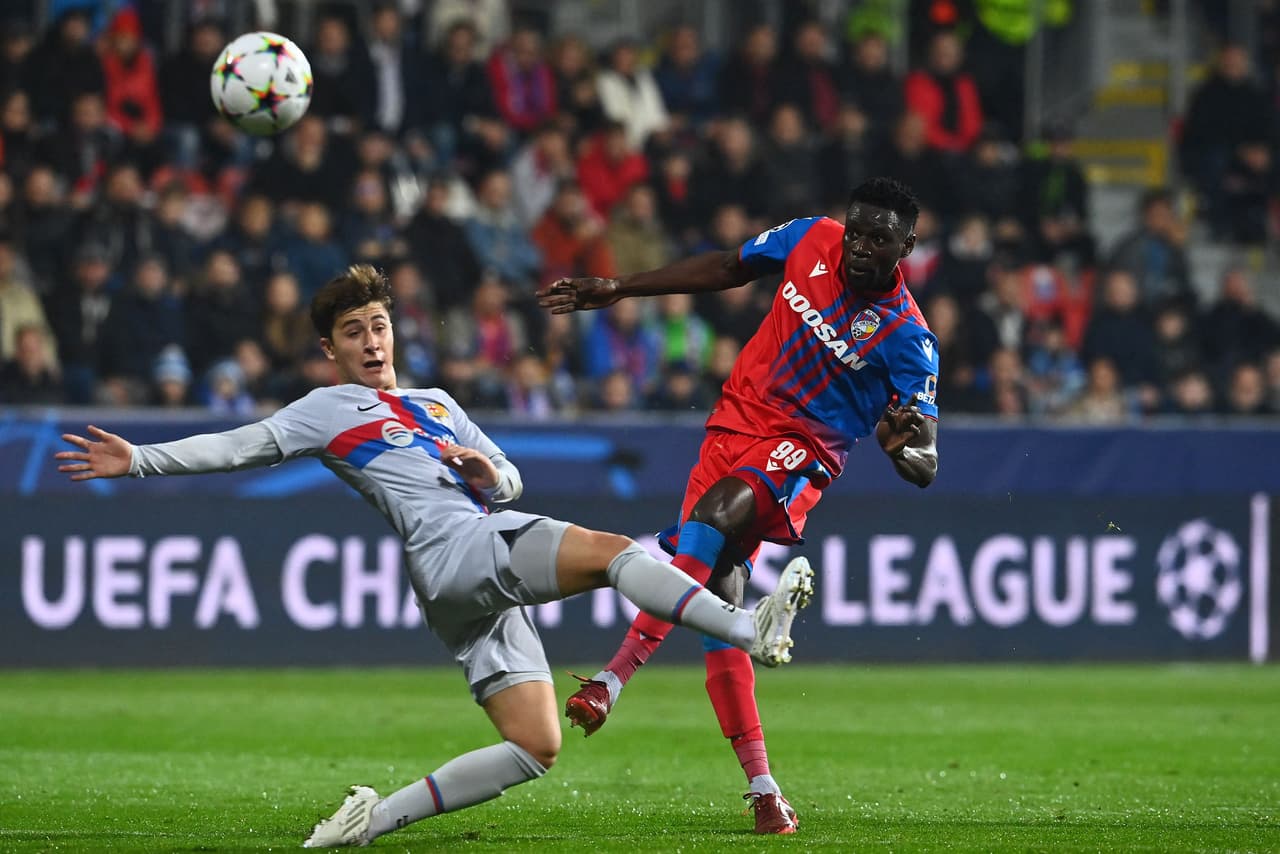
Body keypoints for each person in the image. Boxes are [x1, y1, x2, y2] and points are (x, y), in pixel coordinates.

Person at [54, 263, 813, 849]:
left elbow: (508, 476)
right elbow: (238, 446)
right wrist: (141, 458)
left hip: (464, 578)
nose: (371, 341)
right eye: (353, 332)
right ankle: (747, 629)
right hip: (458, 549)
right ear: (330, 349)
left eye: (378, 325)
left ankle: (369, 821)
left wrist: (493, 474)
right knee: (613, 551)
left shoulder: (440, 403)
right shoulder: (327, 409)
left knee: (534, 745)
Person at [537, 177, 940, 834]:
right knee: (717, 608)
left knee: (715, 518)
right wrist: (621, 287)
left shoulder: (908, 339)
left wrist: (903, 452)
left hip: (800, 448)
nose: (861, 247)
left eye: (880, 239)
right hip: (731, 426)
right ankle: (764, 791)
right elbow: (728, 267)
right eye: (857, 229)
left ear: (908, 246)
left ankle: (610, 681)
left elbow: (927, 459)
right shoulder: (813, 237)